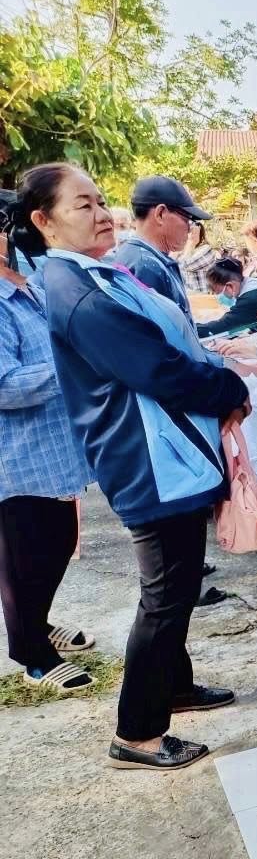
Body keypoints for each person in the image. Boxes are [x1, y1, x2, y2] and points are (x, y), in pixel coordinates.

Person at [17, 163, 249, 771]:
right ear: (44, 221)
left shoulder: (90, 272)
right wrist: (226, 388)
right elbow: (155, 368)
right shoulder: (78, 291)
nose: (101, 215)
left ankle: (173, 685)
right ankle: (137, 733)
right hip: (146, 459)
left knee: (177, 585)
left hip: (159, 452)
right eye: (82, 206)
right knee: (166, 593)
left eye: (100, 201)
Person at [0, 195, 95, 694]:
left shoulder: (27, 281)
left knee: (56, 542)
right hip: (15, 458)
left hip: (52, 446)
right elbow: (3, 384)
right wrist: (72, 366)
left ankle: (37, 622)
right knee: (25, 557)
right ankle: (32, 653)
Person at [114, 175, 212, 321]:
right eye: (187, 219)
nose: (189, 228)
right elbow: (162, 331)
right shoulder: (146, 267)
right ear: (160, 214)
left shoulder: (139, 256)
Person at [199, 258, 257, 338]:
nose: (218, 296)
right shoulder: (251, 285)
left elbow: (221, 327)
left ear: (230, 286)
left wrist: (193, 330)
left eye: (217, 292)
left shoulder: (252, 298)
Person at [180, 221, 219, 294]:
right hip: (188, 296)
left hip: (203, 297)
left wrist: (191, 243)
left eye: (191, 231)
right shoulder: (182, 250)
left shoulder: (207, 249)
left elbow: (184, 265)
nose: (189, 234)